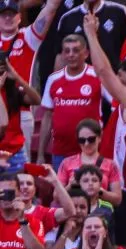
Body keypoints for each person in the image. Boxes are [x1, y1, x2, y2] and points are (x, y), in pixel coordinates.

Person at [80, 12, 126, 249]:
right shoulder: (124, 105)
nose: (116, 78)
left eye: (122, 77)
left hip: (117, 185)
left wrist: (90, 33)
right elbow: (103, 73)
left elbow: (103, 70)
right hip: (112, 180)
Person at [0, 0, 60, 163]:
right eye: (3, 15)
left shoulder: (28, 37)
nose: (7, 18)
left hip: (22, 110)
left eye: (12, 14)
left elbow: (51, 7)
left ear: (19, 17)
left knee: (22, 168)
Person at [37, 34, 102, 169]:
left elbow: (116, 105)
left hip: (89, 151)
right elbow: (47, 117)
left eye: (76, 50)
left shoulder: (97, 76)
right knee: (60, 190)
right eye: (67, 51)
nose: (71, 54)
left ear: (86, 54)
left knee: (89, 189)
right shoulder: (53, 79)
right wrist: (40, 154)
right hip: (60, 152)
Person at [55, 119, 124, 206]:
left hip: (99, 212)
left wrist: (99, 191)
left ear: (99, 138)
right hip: (74, 211)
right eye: (82, 140)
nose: (86, 144)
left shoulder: (110, 165)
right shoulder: (66, 163)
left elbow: (117, 199)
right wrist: (70, 186)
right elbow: (56, 197)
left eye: (91, 139)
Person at [0, 173, 45, 249]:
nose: (5, 197)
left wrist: (22, 220)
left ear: (19, 193)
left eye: (10, 193)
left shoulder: (33, 222)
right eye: (2, 193)